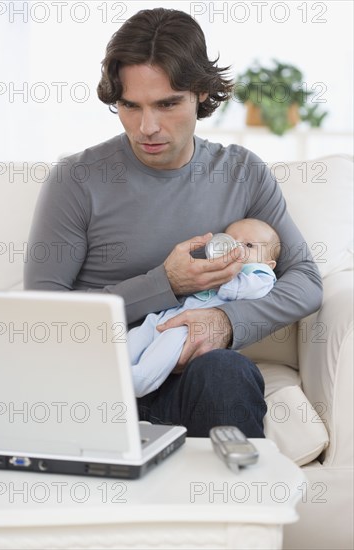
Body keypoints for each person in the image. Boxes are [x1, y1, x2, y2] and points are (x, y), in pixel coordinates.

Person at [24, 8, 322, 438]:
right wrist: (167, 282)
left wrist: (225, 320)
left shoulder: (242, 173)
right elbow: (44, 315)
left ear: (201, 94)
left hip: (193, 380)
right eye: (130, 105)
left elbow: (306, 279)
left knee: (226, 371)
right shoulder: (78, 178)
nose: (147, 127)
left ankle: (231, 501)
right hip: (96, 381)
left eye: (167, 104)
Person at [129, 218, 280, 397]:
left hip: (191, 329)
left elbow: (250, 288)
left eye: (248, 245)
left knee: (168, 344)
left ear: (268, 264)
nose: (236, 248)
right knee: (139, 332)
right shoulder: (213, 266)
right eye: (230, 240)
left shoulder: (260, 275)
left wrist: (219, 280)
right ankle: (115, 366)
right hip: (169, 314)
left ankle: (139, 381)